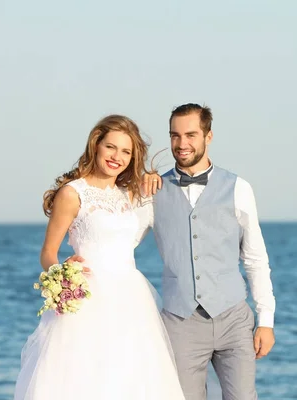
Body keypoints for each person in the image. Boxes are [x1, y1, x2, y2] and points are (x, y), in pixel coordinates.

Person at [13, 115, 184, 400]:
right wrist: (61, 273)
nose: (117, 156)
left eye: (126, 151)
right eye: (111, 147)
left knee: (130, 382)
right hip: (88, 302)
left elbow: (157, 205)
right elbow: (47, 253)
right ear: (96, 145)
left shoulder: (130, 194)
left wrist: (152, 178)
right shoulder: (73, 193)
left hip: (132, 302)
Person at [138, 103, 277, 400]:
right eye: (175, 136)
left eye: (191, 135)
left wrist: (266, 320)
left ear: (208, 136)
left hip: (233, 319)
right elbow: (121, 238)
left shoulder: (238, 188)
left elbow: (255, 258)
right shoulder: (152, 191)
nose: (182, 144)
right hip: (180, 321)